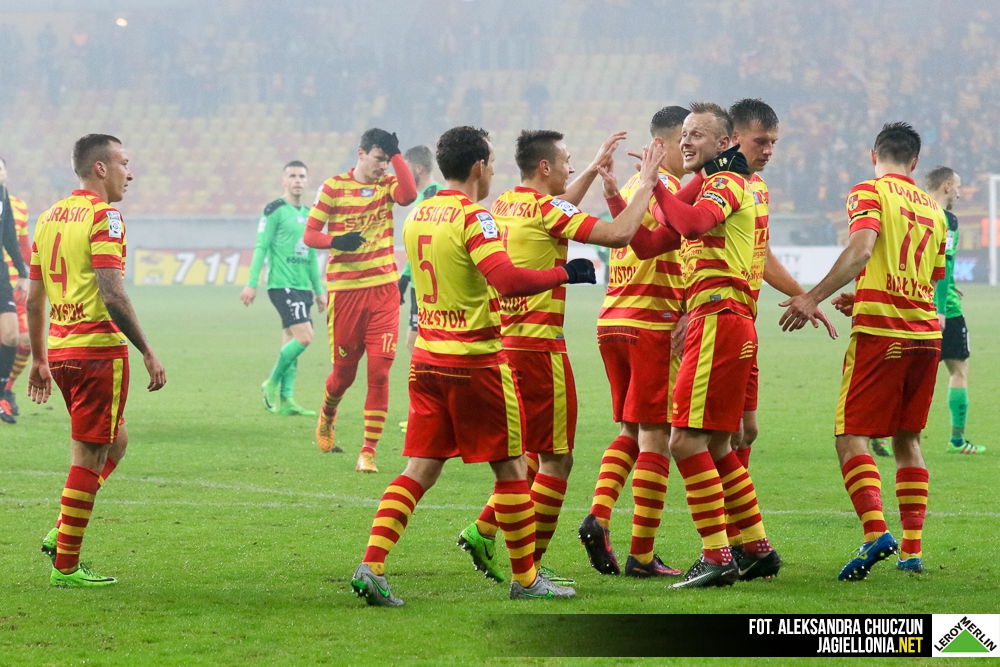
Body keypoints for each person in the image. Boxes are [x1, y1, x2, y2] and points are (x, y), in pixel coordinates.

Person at [351, 125, 597, 606]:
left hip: (427, 359)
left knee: (419, 469)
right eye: (491, 165)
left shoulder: (419, 214)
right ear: (479, 167)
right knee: (512, 469)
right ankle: (527, 579)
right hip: (476, 361)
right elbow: (506, 281)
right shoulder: (473, 217)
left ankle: (371, 565)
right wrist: (564, 272)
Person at [455, 129, 664, 586]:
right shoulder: (547, 210)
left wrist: (590, 169)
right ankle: (530, 567)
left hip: (504, 344)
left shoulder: (507, 204)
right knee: (557, 460)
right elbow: (619, 234)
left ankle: (485, 530)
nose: (571, 167)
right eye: (567, 160)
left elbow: (559, 206)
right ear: (545, 166)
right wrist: (647, 181)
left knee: (531, 452)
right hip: (539, 348)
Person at [652, 103, 815, 587]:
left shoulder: (725, 182)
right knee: (725, 442)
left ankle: (717, 555)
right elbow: (656, 237)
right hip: (730, 318)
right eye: (762, 141)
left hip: (720, 319)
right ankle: (757, 548)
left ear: (724, 142)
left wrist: (652, 184)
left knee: (684, 441)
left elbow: (690, 225)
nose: (686, 142)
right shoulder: (733, 183)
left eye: (696, 134)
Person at [780, 122, 947, 579]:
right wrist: (865, 295)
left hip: (882, 335)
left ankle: (876, 533)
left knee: (850, 434)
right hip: (925, 337)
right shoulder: (934, 210)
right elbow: (927, 281)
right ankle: (911, 551)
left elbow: (860, 250)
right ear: (915, 161)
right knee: (908, 439)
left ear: (874, 155)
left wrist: (812, 297)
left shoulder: (869, 192)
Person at [27, 134, 166, 586]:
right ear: (101, 168)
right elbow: (112, 292)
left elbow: (33, 300)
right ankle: (66, 566)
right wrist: (146, 350)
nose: (131, 173)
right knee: (88, 456)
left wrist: (40, 359)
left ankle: (63, 530)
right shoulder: (104, 217)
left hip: (62, 352)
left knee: (115, 441)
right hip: (96, 353)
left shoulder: (48, 218)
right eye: (124, 162)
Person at [579, 105, 696, 579]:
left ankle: (599, 515)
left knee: (630, 430)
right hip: (653, 321)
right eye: (686, 139)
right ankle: (642, 554)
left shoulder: (631, 186)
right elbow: (670, 245)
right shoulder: (670, 191)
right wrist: (687, 307)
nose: (691, 149)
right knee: (656, 437)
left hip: (613, 319)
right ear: (665, 144)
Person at [723, 99, 838, 558]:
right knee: (712, 437)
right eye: (760, 141)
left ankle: (736, 538)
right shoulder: (719, 184)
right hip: (715, 320)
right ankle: (730, 542)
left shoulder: (758, 188)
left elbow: (763, 255)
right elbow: (686, 244)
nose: (769, 150)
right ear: (734, 138)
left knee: (746, 432)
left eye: (773, 142)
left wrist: (805, 297)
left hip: (744, 323)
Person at [303, 128, 418, 473]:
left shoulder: (387, 185)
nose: (383, 166)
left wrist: (396, 155)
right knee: (343, 375)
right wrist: (336, 241)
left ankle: (368, 452)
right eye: (379, 159)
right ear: (361, 153)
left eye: (387, 160)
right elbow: (310, 234)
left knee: (379, 371)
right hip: (346, 294)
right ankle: (328, 414)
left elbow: (409, 195)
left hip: (384, 291)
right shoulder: (334, 187)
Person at [241, 161, 326, 416]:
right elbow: (261, 246)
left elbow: (312, 256)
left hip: (302, 287)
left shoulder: (311, 214)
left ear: (307, 181)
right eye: (292, 176)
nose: (297, 180)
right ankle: (271, 383)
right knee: (305, 337)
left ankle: (287, 400)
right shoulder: (275, 210)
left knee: (291, 341)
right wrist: (252, 283)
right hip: (282, 285)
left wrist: (318, 290)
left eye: (301, 176)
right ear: (284, 181)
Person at [926, 166, 983, 454]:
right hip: (943, 308)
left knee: (904, 373)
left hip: (912, 302)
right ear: (947, 186)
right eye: (958, 187)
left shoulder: (914, 212)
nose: (959, 194)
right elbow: (943, 262)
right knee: (958, 369)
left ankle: (880, 434)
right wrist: (940, 308)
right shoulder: (947, 220)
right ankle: (958, 440)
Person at [396, 145, 443, 434]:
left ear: (418, 169)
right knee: (416, 343)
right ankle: (425, 411)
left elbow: (429, 245)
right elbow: (417, 246)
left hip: (429, 286)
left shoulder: (432, 197)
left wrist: (407, 278)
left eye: (404, 170)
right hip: (419, 284)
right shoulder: (425, 197)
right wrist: (404, 278)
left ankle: (429, 412)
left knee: (422, 345)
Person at [0, 156, 30, 419]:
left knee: (19, 338)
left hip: (8, 281)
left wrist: (26, 273)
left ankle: (5, 391)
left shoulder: (12, 202)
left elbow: (16, 241)